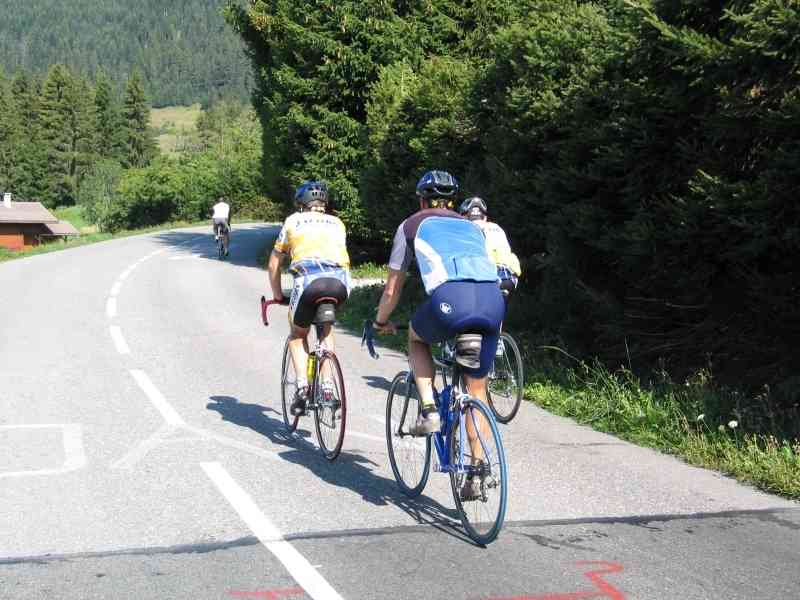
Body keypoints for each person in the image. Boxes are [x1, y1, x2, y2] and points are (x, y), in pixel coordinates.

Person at [373, 170, 505, 500]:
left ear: (421, 199)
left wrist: (379, 321)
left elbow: (393, 286)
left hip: (451, 300)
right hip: (492, 301)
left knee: (417, 339)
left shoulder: (410, 226)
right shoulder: (473, 227)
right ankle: (476, 472)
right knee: (476, 391)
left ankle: (429, 409)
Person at [267, 181, 351, 416]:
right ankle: (326, 387)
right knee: (325, 329)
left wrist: (276, 294)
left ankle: (303, 387)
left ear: (302, 204)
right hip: (340, 284)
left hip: (309, 284)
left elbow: (275, 263)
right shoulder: (338, 223)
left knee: (297, 333)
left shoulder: (293, 220)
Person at [458, 196, 522, 300]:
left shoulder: (464, 230)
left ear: (464, 217)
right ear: (484, 217)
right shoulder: (496, 228)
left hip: (482, 279)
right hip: (508, 278)